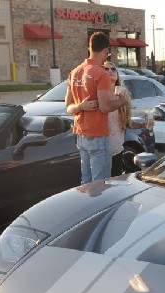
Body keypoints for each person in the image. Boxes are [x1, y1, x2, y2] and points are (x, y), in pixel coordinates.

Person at [65, 31, 128, 184]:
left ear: (89, 48)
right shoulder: (101, 73)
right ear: (106, 50)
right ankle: (99, 209)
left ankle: (87, 207)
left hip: (81, 136)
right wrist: (122, 100)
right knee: (100, 185)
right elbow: (106, 107)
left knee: (86, 182)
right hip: (98, 135)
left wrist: (80, 106)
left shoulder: (75, 72)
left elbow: (68, 107)